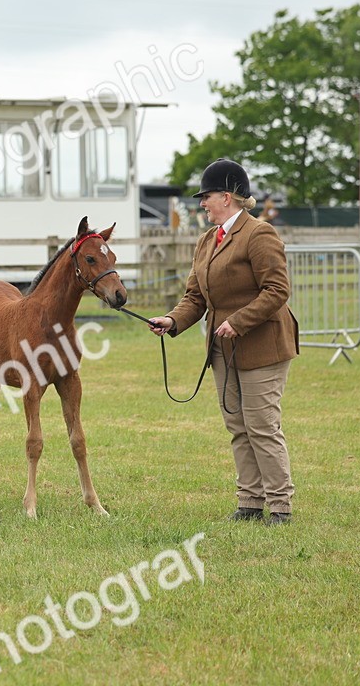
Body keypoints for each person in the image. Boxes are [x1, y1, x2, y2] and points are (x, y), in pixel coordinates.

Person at [149, 158, 299, 526]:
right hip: (223, 349)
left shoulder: (259, 234)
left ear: (228, 197)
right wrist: (172, 320)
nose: (202, 203)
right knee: (237, 426)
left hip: (262, 345)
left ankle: (280, 505)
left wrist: (239, 320)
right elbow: (195, 297)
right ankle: (250, 500)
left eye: (207, 197)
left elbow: (277, 290)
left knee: (262, 425)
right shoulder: (205, 242)